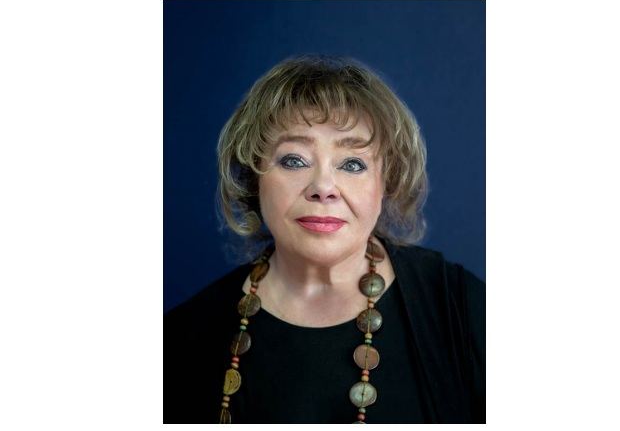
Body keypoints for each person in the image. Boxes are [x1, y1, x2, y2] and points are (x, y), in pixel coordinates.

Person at [163, 55, 485, 424]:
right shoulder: (179, 340)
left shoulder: (463, 309)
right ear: (254, 179)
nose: (323, 187)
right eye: (294, 160)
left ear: (387, 183)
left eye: (352, 164)